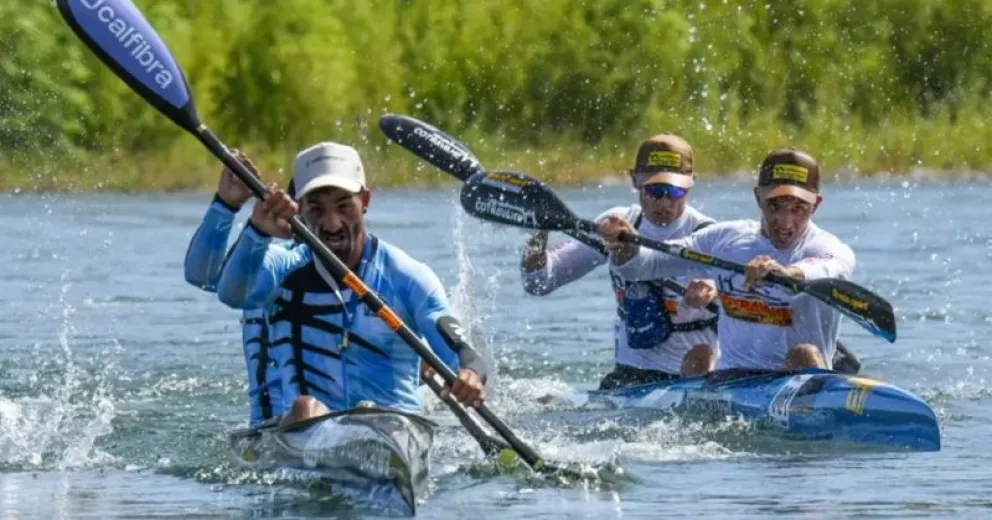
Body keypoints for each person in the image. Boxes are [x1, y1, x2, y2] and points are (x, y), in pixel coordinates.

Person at [216, 141, 488, 425]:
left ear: (366, 201)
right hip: (298, 429)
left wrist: (470, 375)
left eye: (344, 206)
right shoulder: (280, 265)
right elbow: (231, 294)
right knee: (305, 408)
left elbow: (461, 351)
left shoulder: (406, 276)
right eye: (317, 209)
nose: (332, 224)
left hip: (394, 432)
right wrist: (255, 230)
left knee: (368, 413)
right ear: (299, 210)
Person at [598, 148, 855, 374]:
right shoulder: (724, 240)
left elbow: (828, 268)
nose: (785, 222)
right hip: (732, 381)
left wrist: (788, 272)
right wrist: (626, 247)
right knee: (699, 356)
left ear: (816, 205)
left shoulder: (828, 248)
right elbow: (647, 265)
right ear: (757, 197)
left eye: (798, 208)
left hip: (794, 381)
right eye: (774, 206)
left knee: (804, 354)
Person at [521, 134, 719, 389]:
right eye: (654, 191)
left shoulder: (711, 235)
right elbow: (538, 282)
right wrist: (537, 233)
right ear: (634, 180)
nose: (665, 203)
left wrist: (716, 291)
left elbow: (747, 299)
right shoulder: (615, 224)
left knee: (701, 356)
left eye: (674, 191)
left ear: (692, 184)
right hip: (630, 377)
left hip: (693, 379)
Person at [184, 151, 286, 427]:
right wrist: (226, 205)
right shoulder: (269, 262)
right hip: (271, 432)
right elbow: (201, 277)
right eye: (316, 208)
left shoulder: (367, 270)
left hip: (341, 427)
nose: (329, 222)